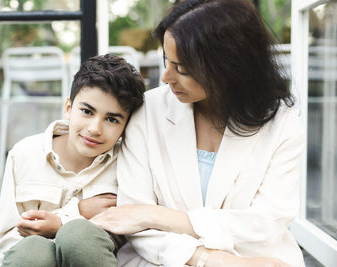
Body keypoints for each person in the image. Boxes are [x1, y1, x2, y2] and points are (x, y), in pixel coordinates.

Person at [90, 0, 305, 266]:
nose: (167, 77)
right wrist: (208, 259)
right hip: (163, 260)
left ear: (228, 67)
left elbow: (265, 224)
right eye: (166, 61)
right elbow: (133, 223)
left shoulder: (282, 122)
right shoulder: (148, 112)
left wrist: (156, 216)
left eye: (181, 68)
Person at [0, 54, 145, 267]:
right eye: (86, 111)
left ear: (125, 126)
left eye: (111, 119)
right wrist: (77, 212)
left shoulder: (127, 162)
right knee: (32, 251)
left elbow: (133, 235)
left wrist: (65, 225)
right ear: (68, 108)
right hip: (32, 260)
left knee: (79, 236)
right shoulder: (24, 154)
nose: (94, 129)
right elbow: (7, 238)